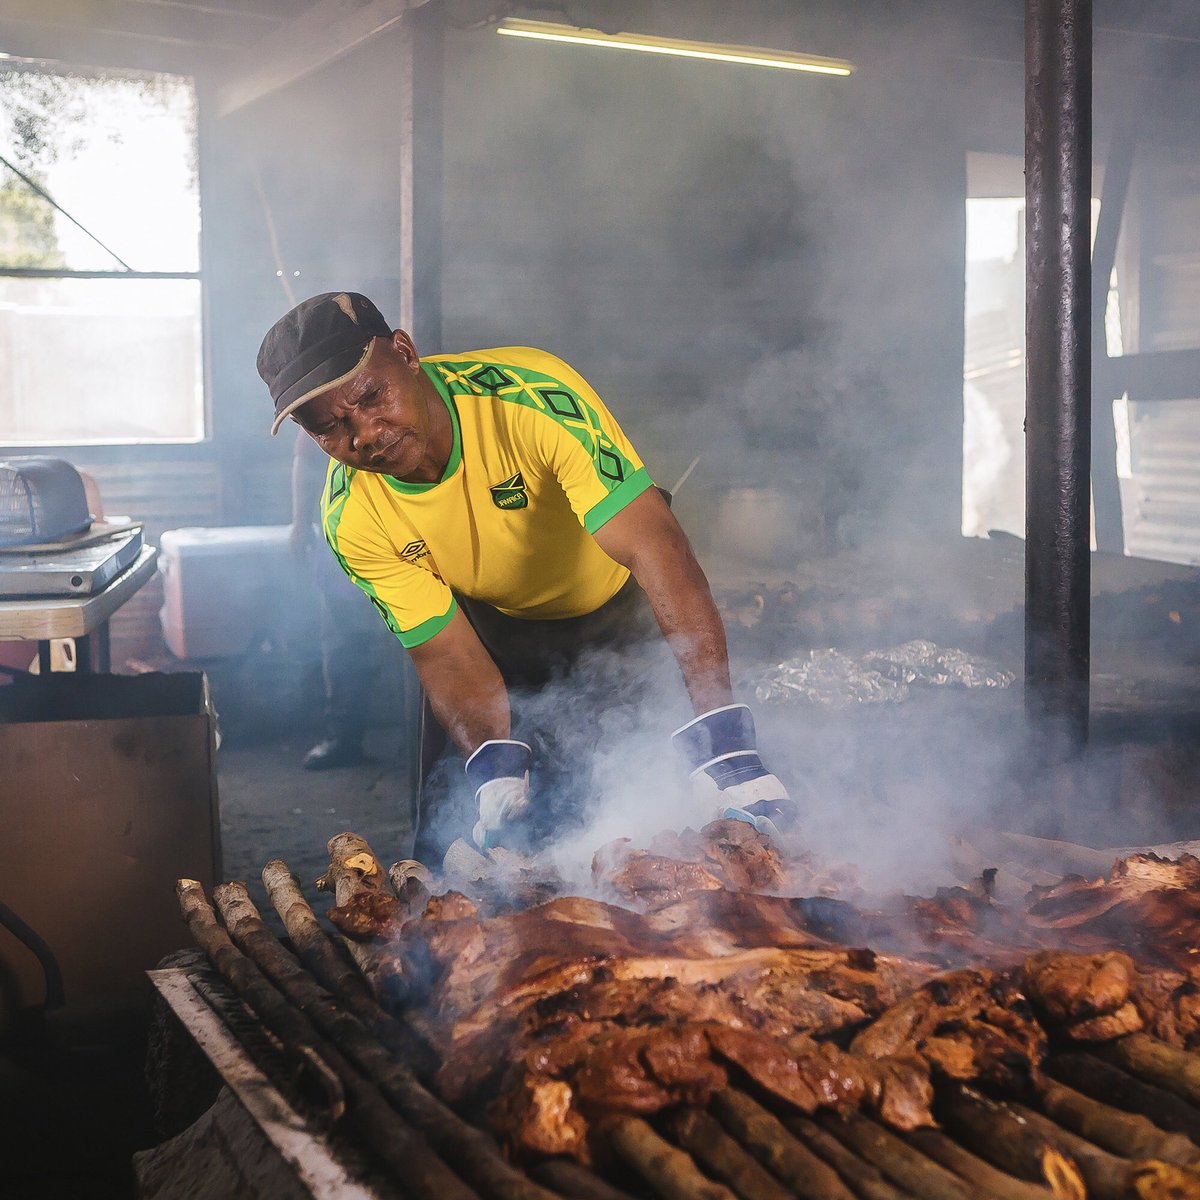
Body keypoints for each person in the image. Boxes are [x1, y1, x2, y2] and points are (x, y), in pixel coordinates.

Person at [257, 291, 795, 857]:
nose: (364, 435)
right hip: (495, 638)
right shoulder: (350, 517)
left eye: (371, 396)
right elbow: (445, 654)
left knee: (677, 826)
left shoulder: (531, 394)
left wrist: (723, 737)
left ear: (406, 354)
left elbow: (658, 550)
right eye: (330, 429)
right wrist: (496, 771)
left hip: (625, 613)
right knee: (478, 852)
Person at [290, 430, 400, 769]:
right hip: (344, 530)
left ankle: (440, 737)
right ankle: (344, 737)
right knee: (343, 639)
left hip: (405, 527)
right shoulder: (325, 404)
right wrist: (300, 523)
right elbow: (306, 459)